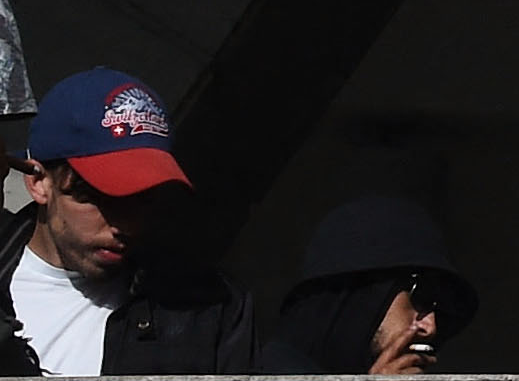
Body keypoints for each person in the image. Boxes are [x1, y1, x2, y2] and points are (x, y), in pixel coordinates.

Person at [0, 70, 250, 376]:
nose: (126, 225)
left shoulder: (207, 308)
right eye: (101, 198)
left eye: (144, 198)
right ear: (39, 182)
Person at [264, 199, 476, 376]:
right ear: (366, 293)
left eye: (440, 309)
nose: (431, 327)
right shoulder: (257, 370)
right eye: (421, 296)